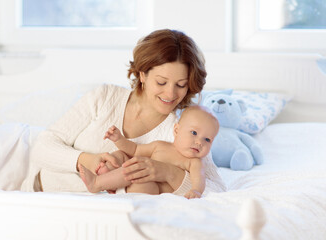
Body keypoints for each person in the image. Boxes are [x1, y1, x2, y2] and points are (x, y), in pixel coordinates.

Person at [21, 29, 226, 194]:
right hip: (42, 200)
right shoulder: (105, 98)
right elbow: (42, 147)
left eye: (181, 85)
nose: (170, 94)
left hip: (109, 222)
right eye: (161, 82)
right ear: (142, 74)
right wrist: (87, 160)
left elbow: (216, 190)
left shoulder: (183, 131)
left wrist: (168, 173)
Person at [79, 105, 219, 199]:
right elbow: (134, 149)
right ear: (176, 130)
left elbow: (199, 180)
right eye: (194, 133)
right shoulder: (160, 146)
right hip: (129, 180)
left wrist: (196, 191)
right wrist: (119, 139)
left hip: (147, 188)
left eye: (207, 139)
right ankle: (109, 178)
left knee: (143, 180)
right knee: (122, 156)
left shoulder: (194, 162)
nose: (200, 142)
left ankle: (97, 183)